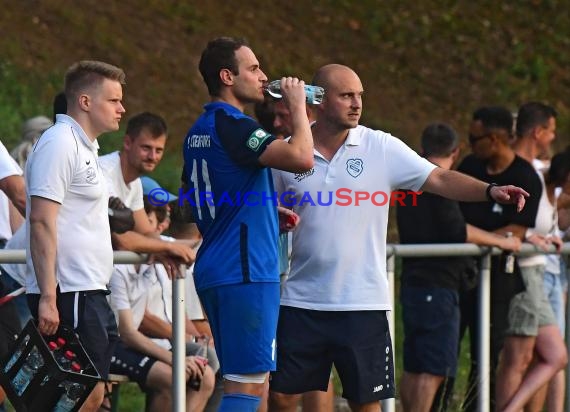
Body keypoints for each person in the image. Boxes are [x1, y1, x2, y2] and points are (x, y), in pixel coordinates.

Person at [268, 64, 528, 412]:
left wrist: (491, 191)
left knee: (366, 403)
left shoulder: (380, 146)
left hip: (363, 303)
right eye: (346, 95)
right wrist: (274, 217)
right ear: (317, 99)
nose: (357, 103)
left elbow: (439, 179)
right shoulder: (286, 153)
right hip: (302, 300)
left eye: (360, 95)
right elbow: (262, 211)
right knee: (283, 397)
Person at [181, 36, 314, 412]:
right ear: (227, 76)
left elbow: (192, 206)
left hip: (216, 268)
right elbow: (302, 157)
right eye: (253, 68)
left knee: (245, 381)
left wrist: (261, 213)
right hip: (245, 271)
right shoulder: (236, 126)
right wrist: (298, 106)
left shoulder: (197, 131)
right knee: (248, 388)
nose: (264, 76)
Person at [396, 123, 521, 412]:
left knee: (415, 364)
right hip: (437, 283)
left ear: (422, 149)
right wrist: (501, 241)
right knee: (434, 367)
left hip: (415, 281)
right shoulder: (439, 185)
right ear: (456, 151)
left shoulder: (407, 181)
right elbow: (457, 231)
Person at [25, 60, 126, 412]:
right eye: (113, 100)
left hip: (89, 290)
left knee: (90, 394)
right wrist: (49, 297)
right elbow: (40, 221)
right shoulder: (59, 143)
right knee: (77, 396)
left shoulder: (85, 146)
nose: (121, 108)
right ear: (85, 102)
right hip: (70, 292)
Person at [456, 105, 562, 412]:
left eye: (474, 138)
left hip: (513, 275)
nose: (470, 144)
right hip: (477, 273)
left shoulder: (527, 175)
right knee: (515, 356)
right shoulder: (471, 166)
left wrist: (475, 233)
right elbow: (454, 219)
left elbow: (515, 233)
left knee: (508, 355)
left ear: (494, 138)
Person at [500, 102, 567, 412]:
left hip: (538, 271)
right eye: (551, 131)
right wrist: (528, 237)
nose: (553, 137)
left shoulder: (540, 170)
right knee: (521, 356)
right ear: (538, 132)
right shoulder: (511, 169)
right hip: (520, 271)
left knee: (551, 355)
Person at [98, 112, 195, 276]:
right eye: (146, 148)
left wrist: (167, 251)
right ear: (128, 142)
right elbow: (123, 240)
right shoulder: (103, 173)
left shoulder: (135, 182)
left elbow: (146, 232)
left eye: (159, 150)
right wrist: (168, 247)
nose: (152, 157)